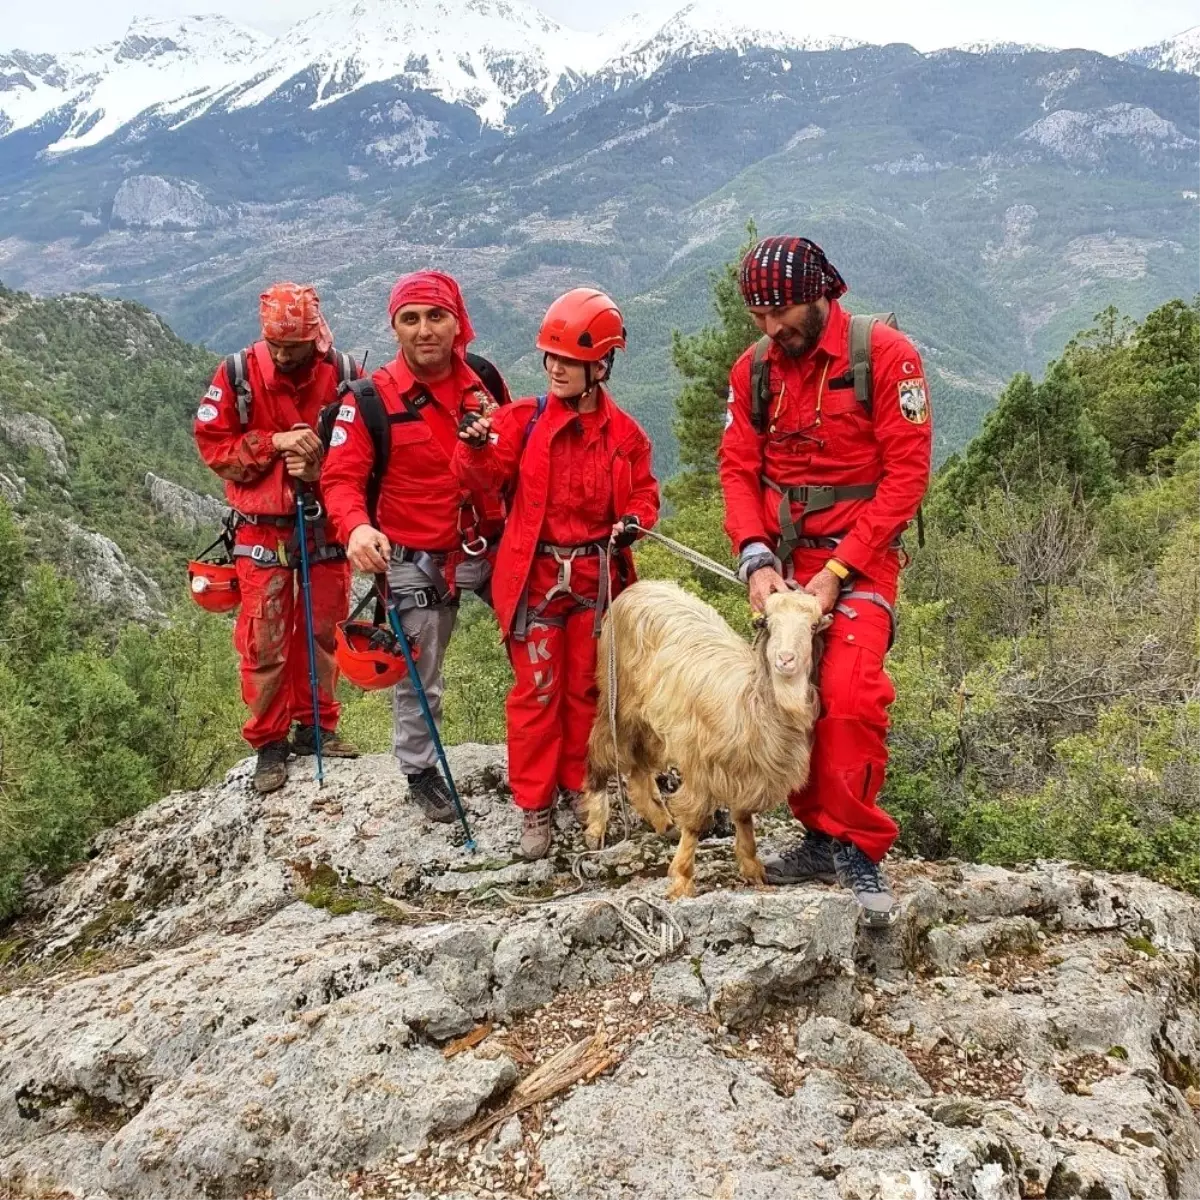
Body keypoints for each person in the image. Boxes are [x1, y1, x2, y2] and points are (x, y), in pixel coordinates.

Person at [718, 236, 932, 926]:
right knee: (789, 690)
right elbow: (737, 468)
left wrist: (841, 569)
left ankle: (857, 843)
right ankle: (818, 836)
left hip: (861, 558)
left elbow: (906, 478)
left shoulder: (885, 358)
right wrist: (753, 552)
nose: (771, 328)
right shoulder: (754, 372)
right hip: (784, 558)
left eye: (781, 313)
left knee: (849, 694)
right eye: (759, 315)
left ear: (820, 295)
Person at [453, 288, 659, 860]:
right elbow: (484, 476)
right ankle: (534, 805)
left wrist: (636, 519)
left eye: (567, 360)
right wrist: (472, 448)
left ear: (601, 365)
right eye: (550, 357)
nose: (554, 368)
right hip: (538, 582)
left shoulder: (625, 436)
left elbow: (644, 491)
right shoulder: (523, 421)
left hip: (595, 584)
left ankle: (578, 786)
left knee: (585, 694)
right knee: (537, 693)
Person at [321, 270, 512, 823]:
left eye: (436, 317)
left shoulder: (483, 379)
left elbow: (512, 449)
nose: (425, 330)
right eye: (411, 319)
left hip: (490, 544)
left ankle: (560, 752)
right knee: (418, 672)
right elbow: (340, 480)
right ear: (396, 327)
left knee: (539, 639)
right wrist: (356, 527)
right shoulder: (368, 399)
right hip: (417, 559)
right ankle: (421, 771)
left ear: (457, 322)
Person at [194, 282, 360, 794]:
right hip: (262, 530)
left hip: (325, 527)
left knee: (323, 632)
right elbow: (214, 446)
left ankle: (317, 728)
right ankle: (269, 742)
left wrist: (319, 467)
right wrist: (273, 442)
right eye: (276, 344)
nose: (284, 354)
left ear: (317, 338)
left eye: (295, 346)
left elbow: (367, 454)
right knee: (263, 641)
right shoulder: (239, 374)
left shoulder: (347, 377)